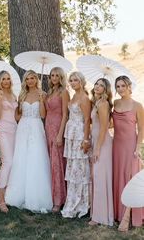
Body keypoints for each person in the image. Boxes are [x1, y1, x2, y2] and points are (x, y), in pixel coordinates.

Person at [5, 70, 53, 212]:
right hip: (23, 127)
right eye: (27, 79)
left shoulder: (42, 94)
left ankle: (36, 195)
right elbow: (18, 116)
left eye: (32, 78)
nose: (30, 81)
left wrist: (41, 100)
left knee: (36, 158)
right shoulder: (22, 95)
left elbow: (43, 115)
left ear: (36, 79)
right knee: (21, 158)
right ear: (25, 81)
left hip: (37, 126)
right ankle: (18, 194)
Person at [112, 75, 144, 231]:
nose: (120, 89)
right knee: (119, 177)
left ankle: (129, 216)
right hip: (116, 146)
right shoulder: (115, 103)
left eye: (123, 86)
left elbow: (142, 129)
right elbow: (111, 124)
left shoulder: (137, 105)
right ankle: (119, 213)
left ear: (129, 86)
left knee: (130, 177)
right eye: (117, 86)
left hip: (131, 146)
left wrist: (138, 147)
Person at [61, 71, 91, 218]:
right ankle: (72, 200)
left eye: (75, 80)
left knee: (81, 168)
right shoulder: (73, 96)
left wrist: (85, 140)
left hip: (80, 135)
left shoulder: (85, 98)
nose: (73, 83)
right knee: (73, 167)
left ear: (82, 81)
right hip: (71, 136)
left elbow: (86, 120)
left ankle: (82, 202)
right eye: (71, 80)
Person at [0, 71, 17, 213]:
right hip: (2, 130)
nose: (6, 81)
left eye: (8, 79)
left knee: (14, 163)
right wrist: (0, 99)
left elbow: (16, 114)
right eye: (3, 79)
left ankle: (7, 194)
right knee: (8, 162)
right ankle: (0, 199)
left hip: (15, 130)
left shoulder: (13, 95)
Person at [89, 78, 114, 226]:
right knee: (96, 177)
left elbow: (104, 127)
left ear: (106, 89)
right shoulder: (97, 103)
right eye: (96, 84)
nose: (97, 87)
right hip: (96, 141)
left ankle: (100, 217)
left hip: (103, 144)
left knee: (99, 177)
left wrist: (97, 148)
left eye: (101, 85)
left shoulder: (103, 104)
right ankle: (97, 213)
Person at [45, 67, 70, 213]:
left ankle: (59, 200)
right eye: (52, 75)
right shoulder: (49, 92)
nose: (54, 78)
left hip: (58, 128)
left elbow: (65, 114)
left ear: (61, 77)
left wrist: (60, 134)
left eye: (56, 75)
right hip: (48, 128)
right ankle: (52, 195)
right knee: (51, 163)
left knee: (57, 163)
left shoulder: (64, 92)